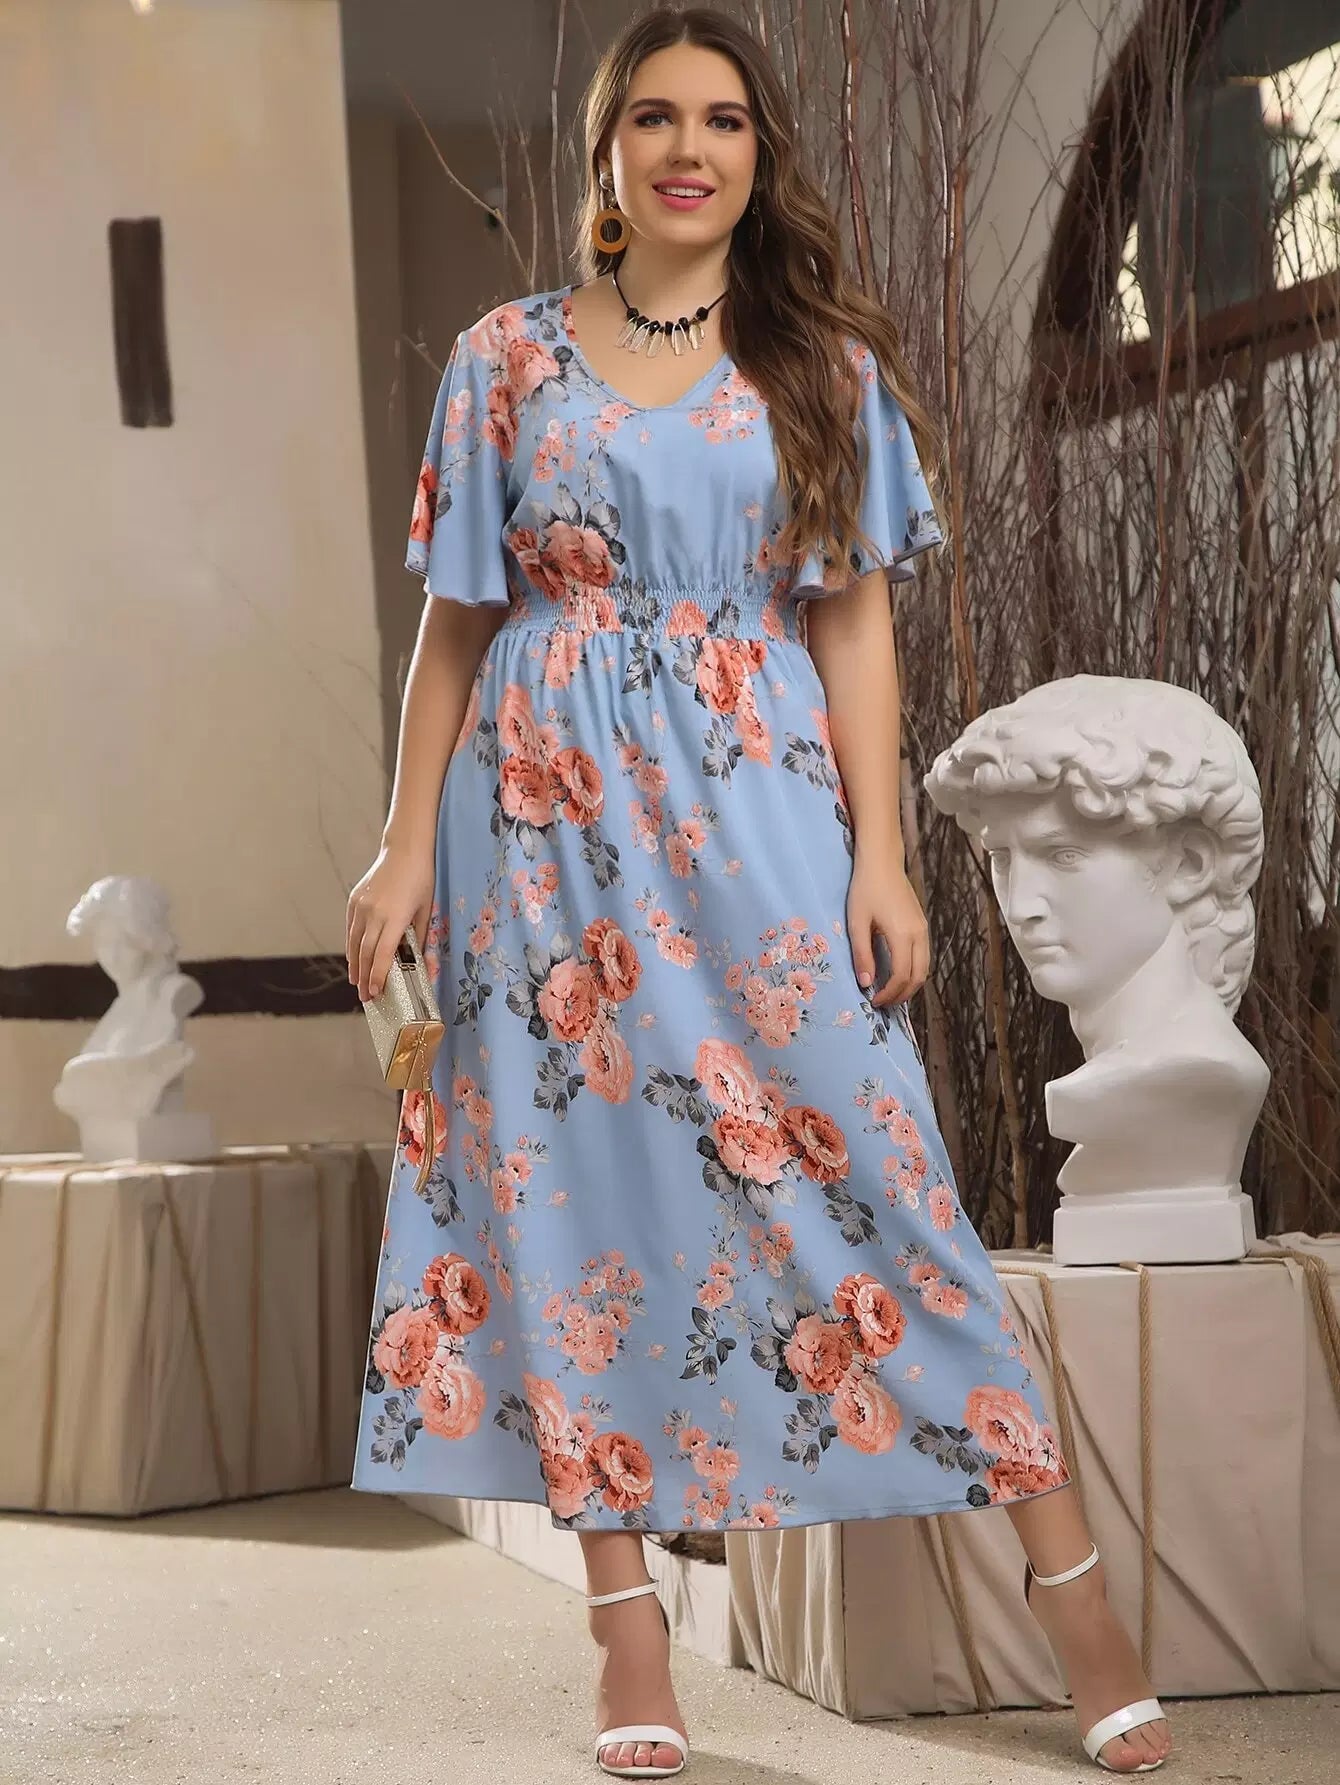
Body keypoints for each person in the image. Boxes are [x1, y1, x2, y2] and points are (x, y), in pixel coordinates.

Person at [345, 7, 1173, 1777]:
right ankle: (628, 1638)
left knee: (881, 1177)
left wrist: (881, 852)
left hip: (760, 817)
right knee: (569, 1206)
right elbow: (457, 622)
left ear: (757, 155)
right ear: (608, 153)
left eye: (723, 120)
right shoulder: (502, 361)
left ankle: (1079, 1599)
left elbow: (853, 619)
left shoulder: (819, 365)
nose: (688, 148)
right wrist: (406, 839)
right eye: (655, 117)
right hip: (539, 835)